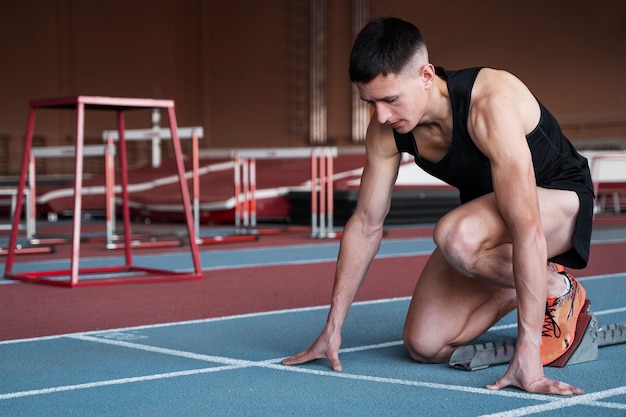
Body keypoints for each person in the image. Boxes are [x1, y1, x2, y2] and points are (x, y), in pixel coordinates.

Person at [282, 17, 595, 396]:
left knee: (455, 235)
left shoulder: (489, 103)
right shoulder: (387, 130)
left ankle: (558, 288)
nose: (380, 115)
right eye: (370, 102)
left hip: (561, 203)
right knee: (425, 343)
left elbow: (526, 225)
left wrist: (528, 354)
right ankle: (541, 277)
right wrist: (333, 328)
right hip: (493, 230)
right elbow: (365, 224)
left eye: (390, 99)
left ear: (426, 75)